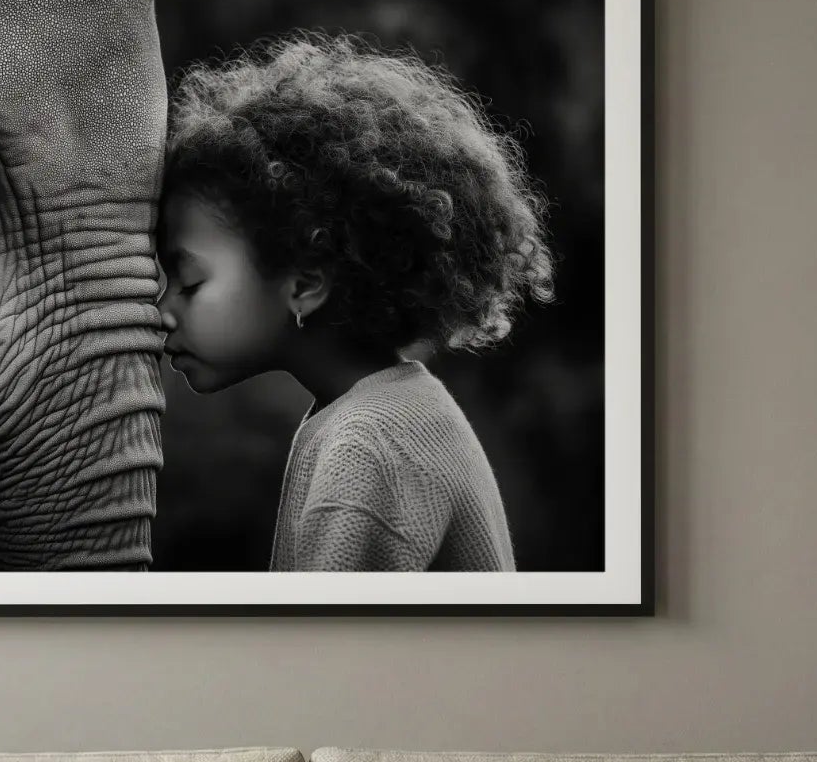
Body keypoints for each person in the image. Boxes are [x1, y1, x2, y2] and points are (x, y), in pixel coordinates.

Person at [157, 34, 554, 572]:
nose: (162, 311)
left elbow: (328, 654)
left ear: (304, 285)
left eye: (188, 282)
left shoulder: (368, 446)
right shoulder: (384, 414)